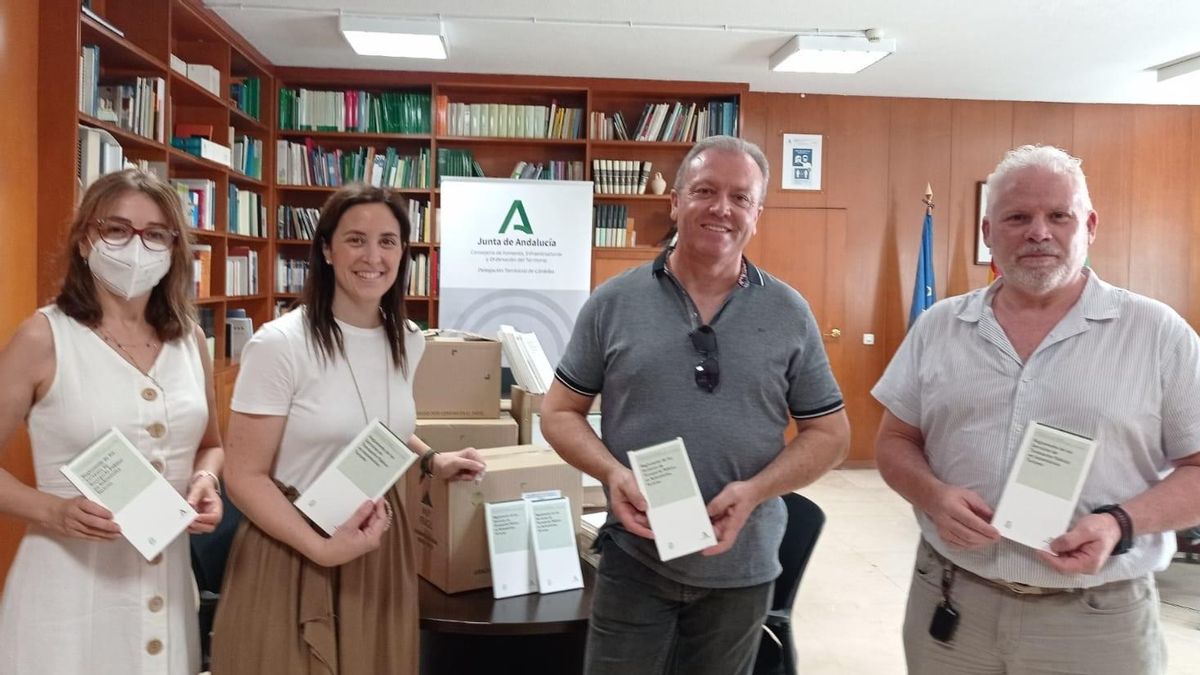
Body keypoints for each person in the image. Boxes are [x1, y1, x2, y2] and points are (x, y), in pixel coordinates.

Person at [872, 144, 1200, 674]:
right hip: (953, 606)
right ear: (988, 233)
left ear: (1089, 225)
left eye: (1058, 216)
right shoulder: (938, 328)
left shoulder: (1158, 335)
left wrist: (1120, 522)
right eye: (1017, 217)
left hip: (1097, 621)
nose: (1038, 232)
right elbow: (894, 442)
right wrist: (932, 495)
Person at [541, 135, 850, 675]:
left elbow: (831, 433)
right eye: (705, 190)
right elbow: (558, 411)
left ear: (758, 213)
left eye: (740, 197)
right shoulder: (613, 301)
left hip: (742, 569)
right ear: (675, 202)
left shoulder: (788, 312)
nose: (721, 208)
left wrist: (756, 492)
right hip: (635, 562)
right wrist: (612, 474)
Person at [209, 184, 486, 675]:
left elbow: (382, 429)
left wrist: (431, 459)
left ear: (404, 251)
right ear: (326, 249)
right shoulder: (280, 344)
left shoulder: (408, 340)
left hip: (375, 548)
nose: (372, 256)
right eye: (356, 239)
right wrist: (321, 548)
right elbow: (244, 476)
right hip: (292, 549)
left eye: (388, 241)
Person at [0, 169, 224, 674]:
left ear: (173, 248)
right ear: (85, 241)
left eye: (155, 234)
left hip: (165, 591)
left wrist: (206, 479)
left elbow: (211, 443)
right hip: (66, 594)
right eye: (116, 229)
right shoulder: (44, 337)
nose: (136, 247)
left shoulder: (189, 339)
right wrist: (51, 510)